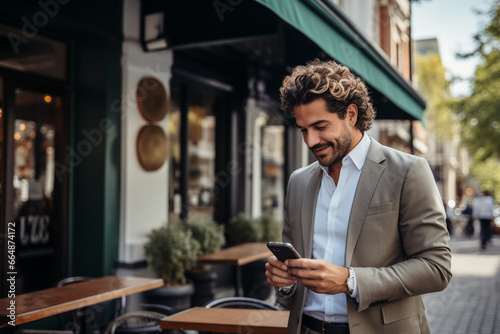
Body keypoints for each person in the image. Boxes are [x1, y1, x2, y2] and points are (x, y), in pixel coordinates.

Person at [265, 59, 452, 334]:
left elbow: (436, 268)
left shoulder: (408, 171)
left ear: (350, 114)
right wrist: (286, 280)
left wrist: (350, 281)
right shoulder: (299, 181)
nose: (310, 141)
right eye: (303, 130)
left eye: (320, 126)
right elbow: (294, 276)